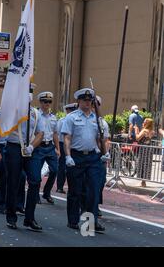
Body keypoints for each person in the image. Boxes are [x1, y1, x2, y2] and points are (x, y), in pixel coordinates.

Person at [61, 88, 105, 233]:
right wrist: (68, 155)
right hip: (76, 156)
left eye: (89, 101)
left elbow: (100, 139)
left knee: (93, 190)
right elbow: (67, 138)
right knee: (75, 190)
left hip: (93, 157)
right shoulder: (71, 117)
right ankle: (73, 220)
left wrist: (105, 153)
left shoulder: (97, 119)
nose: (87, 103)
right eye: (84, 100)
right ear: (79, 101)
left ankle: (91, 222)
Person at [3, 93, 44, 231]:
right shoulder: (11, 111)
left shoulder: (36, 114)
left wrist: (32, 146)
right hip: (14, 147)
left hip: (31, 150)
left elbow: (40, 133)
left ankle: (29, 218)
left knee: (35, 180)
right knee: (14, 182)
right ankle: (11, 217)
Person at [36, 92, 60, 204]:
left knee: (54, 170)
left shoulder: (53, 117)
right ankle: (35, 194)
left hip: (50, 146)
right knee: (36, 173)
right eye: (45, 101)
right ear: (40, 102)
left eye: (49, 102)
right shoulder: (35, 115)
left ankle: (46, 192)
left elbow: (55, 134)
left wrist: (58, 148)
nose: (47, 104)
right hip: (39, 146)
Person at [56, 103, 78, 193]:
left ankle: (71, 187)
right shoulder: (62, 121)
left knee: (72, 167)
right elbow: (56, 134)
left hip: (73, 146)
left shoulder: (75, 120)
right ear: (67, 110)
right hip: (62, 144)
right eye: (71, 110)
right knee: (62, 167)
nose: (73, 112)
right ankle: (60, 186)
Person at [135, 118, 154, 187]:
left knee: (142, 164)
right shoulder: (152, 131)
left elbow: (137, 138)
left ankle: (142, 182)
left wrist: (136, 130)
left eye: (144, 122)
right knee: (146, 165)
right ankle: (144, 182)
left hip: (143, 149)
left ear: (147, 123)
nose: (143, 123)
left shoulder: (144, 131)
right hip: (149, 149)